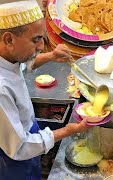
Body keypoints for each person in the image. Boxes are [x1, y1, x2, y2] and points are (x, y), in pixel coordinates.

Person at [0, 1, 90, 179]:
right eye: (36, 40)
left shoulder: (9, 60)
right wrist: (68, 130)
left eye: (42, 38)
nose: (41, 46)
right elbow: (20, 148)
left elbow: (23, 67)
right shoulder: (1, 89)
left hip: (28, 138)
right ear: (9, 39)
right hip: (13, 163)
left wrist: (51, 56)